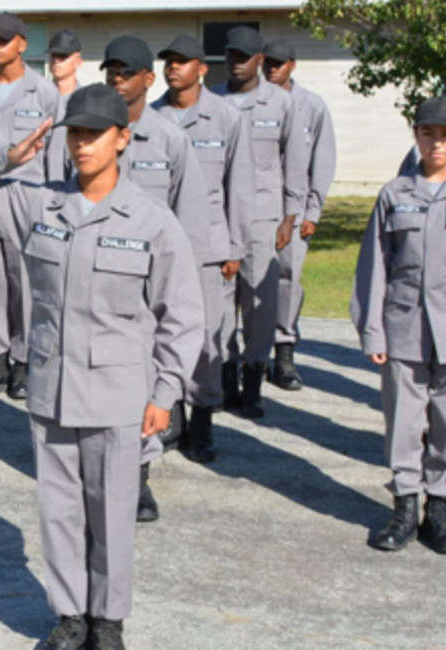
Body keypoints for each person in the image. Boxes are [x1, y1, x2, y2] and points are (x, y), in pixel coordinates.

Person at [0, 84, 203, 650]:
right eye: (75, 132)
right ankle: (70, 619)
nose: (82, 143)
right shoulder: (39, 205)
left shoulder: (150, 221)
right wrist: (5, 159)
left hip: (118, 395)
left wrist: (164, 393)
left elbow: (183, 315)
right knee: (59, 512)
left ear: (122, 139)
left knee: (111, 514)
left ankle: (108, 625)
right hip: (51, 388)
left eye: (95, 132)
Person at [351, 96, 446, 555]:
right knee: (405, 423)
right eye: (427, 133)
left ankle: (440, 510)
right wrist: (372, 330)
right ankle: (405, 506)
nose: (436, 143)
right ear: (416, 136)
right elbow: (374, 269)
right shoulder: (395, 193)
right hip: (405, 325)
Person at [101, 33, 212, 521]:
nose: (118, 80)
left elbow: (189, 221)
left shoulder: (170, 138)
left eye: (128, 72)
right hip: (97, 277)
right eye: (112, 72)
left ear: (149, 78)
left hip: (145, 285)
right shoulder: (90, 132)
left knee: (143, 380)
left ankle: (140, 477)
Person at [152, 34, 255, 462]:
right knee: (160, 333)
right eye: (168, 61)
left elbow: (241, 185)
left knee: (208, 338)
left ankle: (203, 421)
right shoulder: (151, 118)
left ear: (201, 68)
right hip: (157, 248)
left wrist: (236, 247)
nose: (173, 68)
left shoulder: (226, 117)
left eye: (181, 61)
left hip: (209, 248)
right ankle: (170, 414)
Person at [0, 12, 61, 400]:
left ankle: (23, 360)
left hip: (27, 198)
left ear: (23, 43)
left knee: (26, 284)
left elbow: (54, 156)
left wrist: (51, 207)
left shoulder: (44, 93)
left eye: (5, 39)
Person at [211, 26, 307, 418]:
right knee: (219, 303)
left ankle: (253, 380)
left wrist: (290, 216)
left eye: (244, 57)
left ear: (260, 61)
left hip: (263, 217)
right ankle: (225, 378)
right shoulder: (212, 101)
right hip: (219, 217)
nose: (236, 63)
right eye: (231, 56)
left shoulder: (281, 104)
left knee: (258, 304)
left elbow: (296, 163)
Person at [262, 38, 337, 391]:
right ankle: (251, 356)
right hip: (254, 207)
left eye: (279, 63)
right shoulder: (250, 102)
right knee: (244, 281)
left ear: (292, 64)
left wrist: (313, 211)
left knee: (287, 278)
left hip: (293, 208)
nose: (272, 69)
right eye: (268, 63)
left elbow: (322, 162)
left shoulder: (312, 106)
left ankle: (284, 352)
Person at [45, 28, 83, 182]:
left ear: (78, 62)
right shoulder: (37, 99)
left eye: (63, 56)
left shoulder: (84, 102)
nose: (56, 60)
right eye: (54, 55)